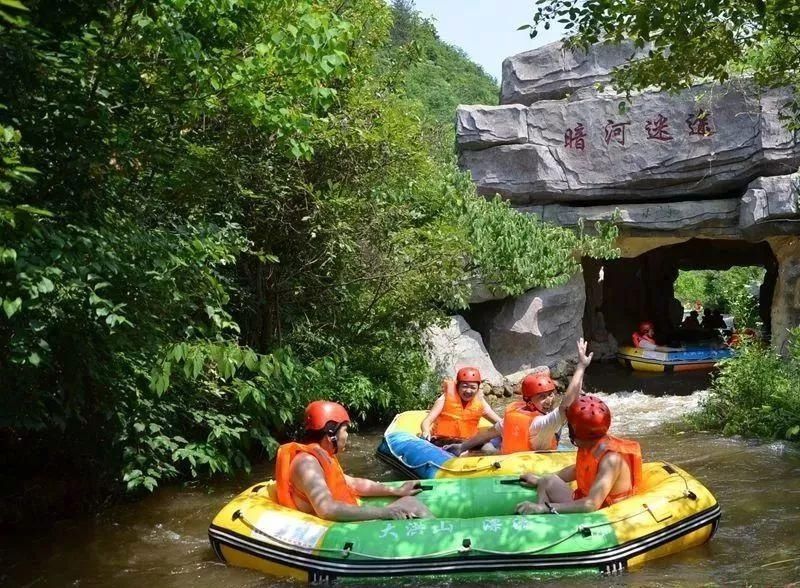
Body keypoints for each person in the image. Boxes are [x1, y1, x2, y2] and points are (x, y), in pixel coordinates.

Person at [276, 400, 433, 521]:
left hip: (340, 518)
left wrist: (396, 490)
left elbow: (352, 484)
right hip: (330, 529)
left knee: (408, 500)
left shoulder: (321, 457)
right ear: (331, 435)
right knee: (411, 505)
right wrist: (383, 512)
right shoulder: (307, 464)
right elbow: (327, 509)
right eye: (345, 430)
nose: (347, 436)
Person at [443, 339, 593, 456]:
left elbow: (489, 432)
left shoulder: (518, 412)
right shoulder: (541, 423)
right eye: (542, 397)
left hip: (513, 457)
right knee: (488, 446)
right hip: (528, 465)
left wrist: (463, 446)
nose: (549, 400)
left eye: (551, 394)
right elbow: (566, 405)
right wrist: (581, 366)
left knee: (489, 445)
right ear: (528, 400)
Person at [515, 395, 642, 515]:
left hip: (605, 512)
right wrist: (539, 479)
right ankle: (538, 518)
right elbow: (578, 470)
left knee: (545, 494)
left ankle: (542, 512)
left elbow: (591, 504)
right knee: (547, 480)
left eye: (570, 426)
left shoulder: (611, 460)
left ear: (578, 431)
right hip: (588, 500)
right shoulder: (590, 445)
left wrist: (544, 508)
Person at [419, 367, 501, 448]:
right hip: (442, 440)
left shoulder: (480, 402)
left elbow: (499, 422)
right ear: (458, 386)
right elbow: (427, 421)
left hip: (467, 442)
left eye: (473, 387)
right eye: (464, 386)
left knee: (488, 446)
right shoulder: (444, 399)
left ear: (477, 388)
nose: (468, 391)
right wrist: (425, 431)